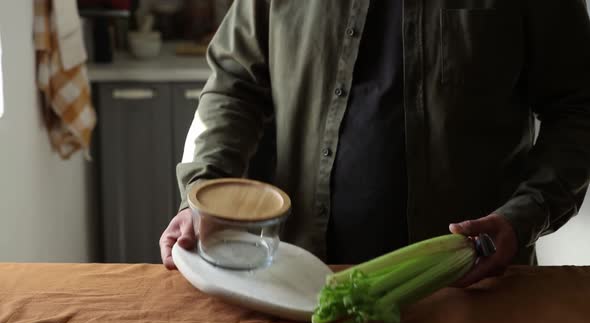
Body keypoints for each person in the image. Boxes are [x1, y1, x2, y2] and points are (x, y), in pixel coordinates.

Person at [160, 0, 590, 287]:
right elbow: (232, 84)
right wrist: (202, 191)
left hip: (471, 292)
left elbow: (578, 109)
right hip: (301, 286)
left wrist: (523, 216)